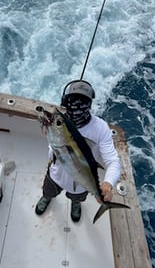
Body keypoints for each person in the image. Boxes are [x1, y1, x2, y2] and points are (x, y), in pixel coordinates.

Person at [35, 80, 121, 222]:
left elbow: (113, 161)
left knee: (77, 197)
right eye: (73, 100)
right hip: (55, 175)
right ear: (65, 101)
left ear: (90, 104)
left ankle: (76, 203)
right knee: (48, 191)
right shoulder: (60, 126)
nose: (77, 105)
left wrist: (108, 183)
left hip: (81, 185)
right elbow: (54, 150)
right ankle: (47, 198)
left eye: (83, 101)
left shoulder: (100, 128)